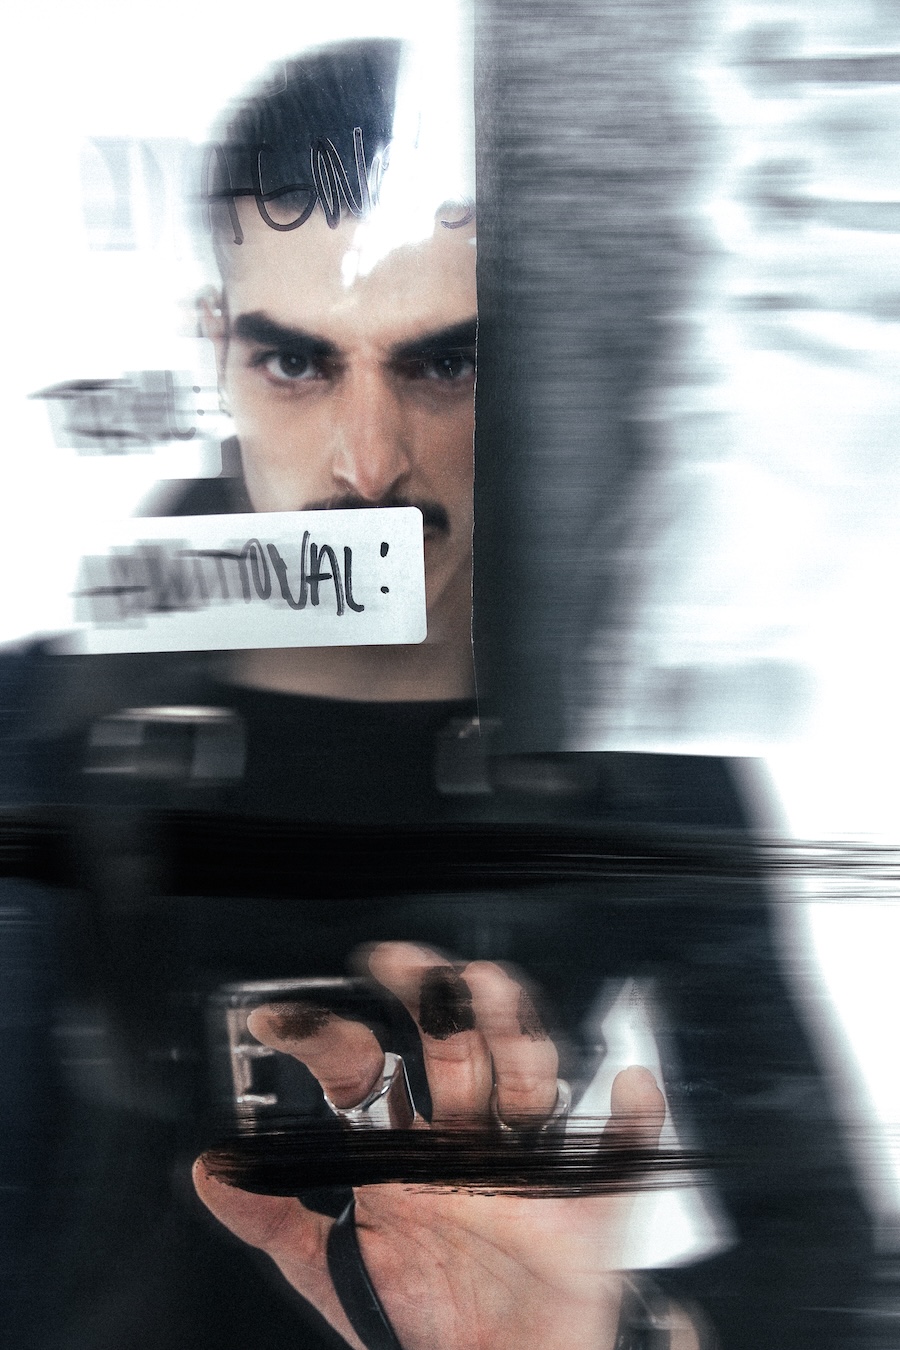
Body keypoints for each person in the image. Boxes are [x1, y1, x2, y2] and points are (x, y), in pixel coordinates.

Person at [5, 37, 874, 1350]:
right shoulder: (43, 728)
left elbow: (829, 1262)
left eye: (442, 364)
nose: (368, 465)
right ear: (217, 349)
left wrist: (607, 1333)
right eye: (298, 363)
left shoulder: (632, 753)